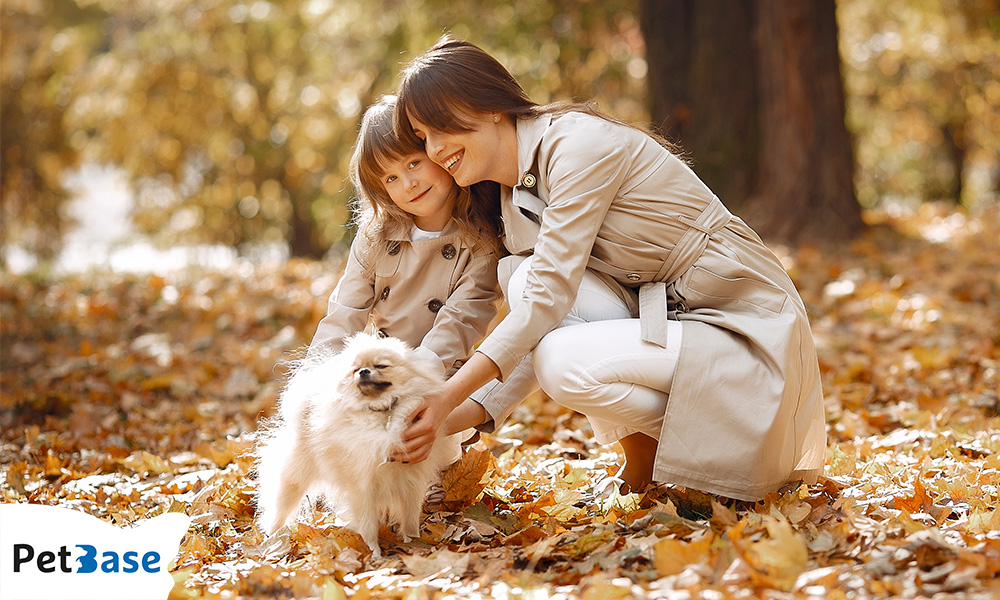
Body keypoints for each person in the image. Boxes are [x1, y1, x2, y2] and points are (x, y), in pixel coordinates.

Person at [391, 37, 827, 501]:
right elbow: (538, 319)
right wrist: (443, 422)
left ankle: (729, 432)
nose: (434, 149)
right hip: (673, 321)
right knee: (520, 278)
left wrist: (449, 395)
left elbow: (547, 301)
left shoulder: (576, 143)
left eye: (439, 126)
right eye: (423, 138)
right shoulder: (510, 200)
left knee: (561, 359)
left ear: (491, 104)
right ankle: (646, 461)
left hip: (742, 320)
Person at [307, 94, 502, 378]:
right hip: (378, 371)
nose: (409, 184)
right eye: (391, 178)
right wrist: (315, 379)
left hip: (442, 374)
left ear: (437, 151)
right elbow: (344, 312)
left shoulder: (480, 241)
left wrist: (414, 374)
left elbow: (461, 320)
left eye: (413, 163)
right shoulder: (377, 235)